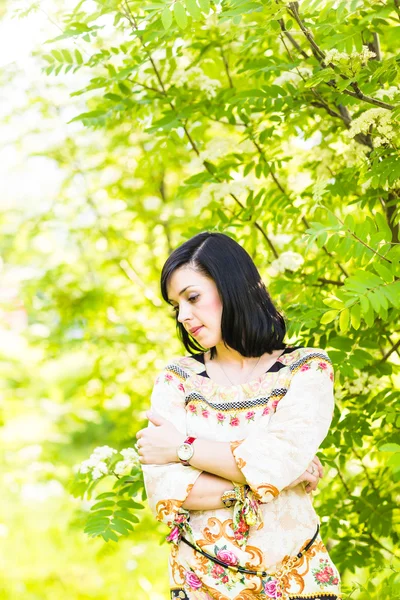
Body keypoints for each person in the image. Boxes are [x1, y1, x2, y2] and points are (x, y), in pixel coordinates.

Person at [136, 232, 342, 600]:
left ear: (232, 285)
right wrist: (280, 479)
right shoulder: (177, 379)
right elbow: (168, 492)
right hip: (202, 585)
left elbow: (278, 459)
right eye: (176, 306)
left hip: (296, 582)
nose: (183, 316)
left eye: (193, 297)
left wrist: (182, 449)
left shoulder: (305, 369)